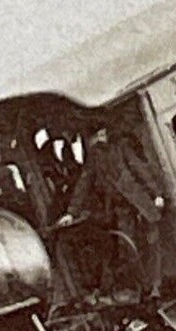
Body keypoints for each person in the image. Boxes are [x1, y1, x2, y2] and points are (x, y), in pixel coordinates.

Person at [57, 124, 169, 302]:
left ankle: (157, 285)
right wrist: (71, 212)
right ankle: (147, 288)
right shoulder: (95, 157)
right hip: (121, 209)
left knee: (153, 242)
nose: (97, 138)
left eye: (99, 134)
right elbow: (84, 183)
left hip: (141, 203)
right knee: (131, 247)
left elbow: (140, 170)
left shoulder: (121, 147)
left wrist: (156, 194)